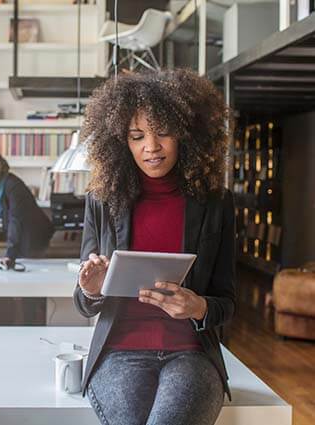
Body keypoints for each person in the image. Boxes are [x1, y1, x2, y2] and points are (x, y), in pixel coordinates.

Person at [74, 69, 236, 425]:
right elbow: (85, 303)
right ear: (121, 141)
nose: (151, 147)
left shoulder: (215, 203)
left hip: (191, 355)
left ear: (187, 135)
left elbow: (228, 302)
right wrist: (91, 288)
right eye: (137, 136)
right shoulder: (101, 201)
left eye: (164, 132)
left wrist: (198, 307)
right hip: (118, 353)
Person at [0, 151, 54, 267]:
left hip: (33, 234)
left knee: (28, 270)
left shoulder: (13, 186)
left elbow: (15, 219)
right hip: (21, 232)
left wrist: (10, 254)